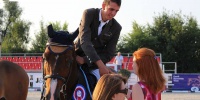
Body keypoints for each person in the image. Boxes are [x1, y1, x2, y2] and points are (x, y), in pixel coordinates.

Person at [74, 0, 122, 91]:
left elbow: (109, 53)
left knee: (105, 89)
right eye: (111, 9)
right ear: (103, 5)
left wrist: (85, 60)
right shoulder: (89, 13)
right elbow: (85, 41)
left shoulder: (117, 27)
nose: (113, 13)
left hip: (93, 65)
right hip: (75, 56)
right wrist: (101, 65)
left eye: (116, 11)